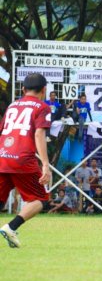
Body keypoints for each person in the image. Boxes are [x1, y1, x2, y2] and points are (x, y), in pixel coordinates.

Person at [0, 74, 53, 248]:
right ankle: (11, 227)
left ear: (23, 90)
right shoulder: (42, 107)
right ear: (44, 90)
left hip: (3, 157)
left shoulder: (12, 105)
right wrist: (45, 164)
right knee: (40, 199)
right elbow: (39, 133)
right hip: (23, 160)